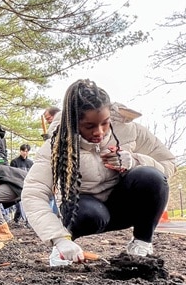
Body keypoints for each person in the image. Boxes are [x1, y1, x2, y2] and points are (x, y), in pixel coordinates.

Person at [22, 79, 176, 265]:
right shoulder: (56, 145)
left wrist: (134, 161)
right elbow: (33, 194)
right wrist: (59, 238)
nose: (99, 132)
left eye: (105, 123)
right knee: (90, 214)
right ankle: (64, 248)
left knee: (151, 177)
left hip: (122, 207)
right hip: (85, 213)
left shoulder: (129, 130)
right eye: (89, 126)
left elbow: (168, 163)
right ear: (73, 122)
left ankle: (141, 243)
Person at [10, 143, 33, 223]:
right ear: (20, 151)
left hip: (27, 186)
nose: (24, 153)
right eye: (23, 151)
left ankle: (26, 221)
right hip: (17, 186)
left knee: (27, 205)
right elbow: (12, 174)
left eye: (26, 151)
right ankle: (18, 219)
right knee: (19, 205)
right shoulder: (14, 162)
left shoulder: (30, 163)